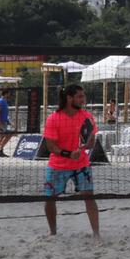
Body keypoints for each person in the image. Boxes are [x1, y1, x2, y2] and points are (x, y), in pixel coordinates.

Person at [42, 83, 100, 238]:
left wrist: (88, 144)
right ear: (69, 98)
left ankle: (96, 234)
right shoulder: (54, 118)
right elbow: (50, 146)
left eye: (84, 96)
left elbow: (92, 140)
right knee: (49, 199)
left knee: (89, 197)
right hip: (58, 165)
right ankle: (53, 232)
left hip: (81, 164)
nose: (83, 99)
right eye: (80, 96)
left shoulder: (87, 117)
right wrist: (68, 154)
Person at [0, 89, 14, 157]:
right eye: (8, 93)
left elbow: (4, 112)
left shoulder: (5, 101)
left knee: (2, 136)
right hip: (1, 122)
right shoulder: (1, 101)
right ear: (6, 93)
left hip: (4, 121)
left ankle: (0, 151)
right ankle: (0, 148)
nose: (9, 95)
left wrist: (8, 121)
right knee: (9, 134)